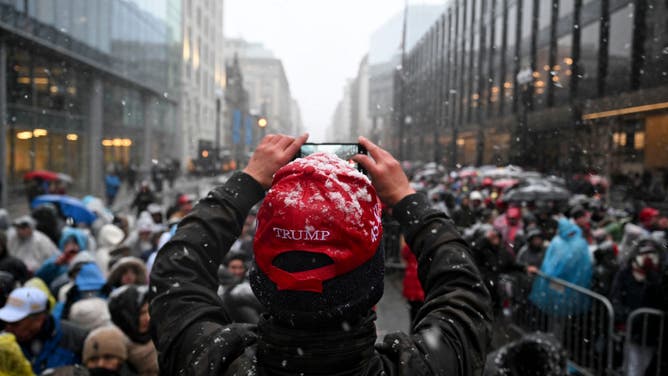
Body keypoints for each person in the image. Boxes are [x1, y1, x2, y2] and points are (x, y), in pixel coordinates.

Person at [149, 134, 492, 375]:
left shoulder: (208, 360)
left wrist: (249, 180)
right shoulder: (428, 366)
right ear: (373, 282)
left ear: (261, 278)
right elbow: (463, 291)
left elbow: (177, 267)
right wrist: (405, 198)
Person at [610, 238, 666, 376]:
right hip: (632, 328)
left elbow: (660, 297)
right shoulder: (625, 273)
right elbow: (616, 297)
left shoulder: (659, 276)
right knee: (633, 365)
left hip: (652, 331)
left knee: (645, 364)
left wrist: (652, 276)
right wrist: (626, 316)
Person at [0, 286, 87, 373]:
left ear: (39, 319)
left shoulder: (77, 340)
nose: (8, 329)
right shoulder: (4, 346)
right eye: (5, 322)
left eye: (15, 323)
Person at [108, 285, 158, 376]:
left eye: (149, 311)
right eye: (142, 313)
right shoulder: (112, 346)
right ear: (126, 316)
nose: (148, 318)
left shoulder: (159, 338)